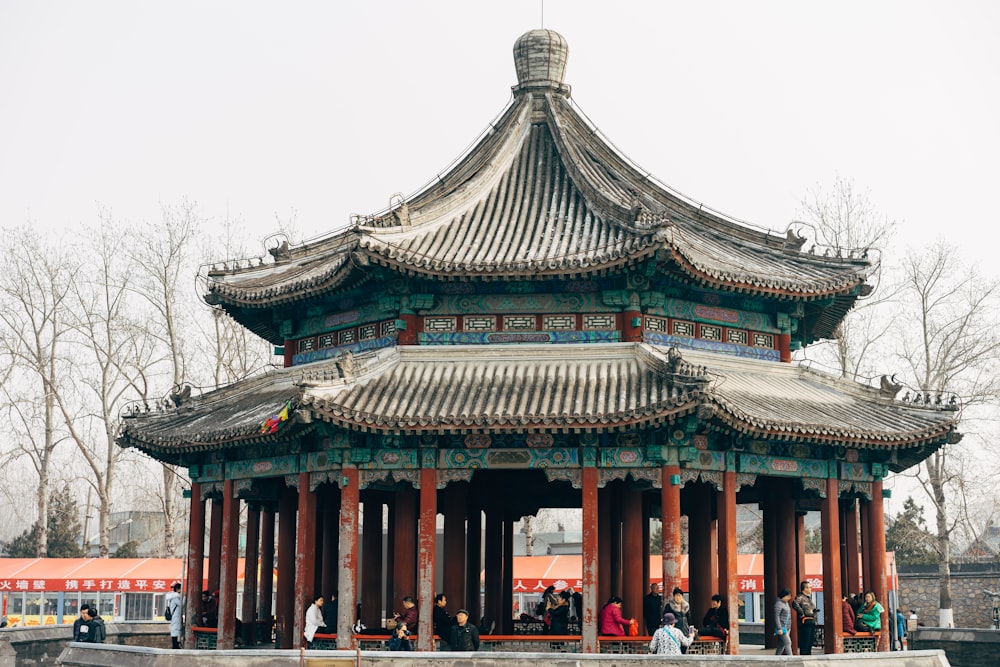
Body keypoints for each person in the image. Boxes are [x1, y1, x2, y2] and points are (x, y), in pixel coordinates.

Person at [791, 580, 817, 655]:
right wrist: (801, 613)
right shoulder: (800, 597)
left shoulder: (808, 598)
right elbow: (795, 604)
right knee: (805, 641)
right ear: (805, 589)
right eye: (809, 587)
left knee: (810, 641)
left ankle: (808, 656)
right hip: (805, 621)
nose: (810, 589)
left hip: (811, 620)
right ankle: (804, 656)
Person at [774, 588, 792, 656]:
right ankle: (791, 658)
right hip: (782, 627)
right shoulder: (778, 604)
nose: (789, 598)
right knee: (788, 642)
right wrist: (779, 628)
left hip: (787, 626)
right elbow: (776, 616)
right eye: (788, 596)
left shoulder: (786, 603)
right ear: (784, 595)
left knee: (782, 644)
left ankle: (776, 657)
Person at [165, 582, 183, 649]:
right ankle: (175, 645)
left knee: (176, 630)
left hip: (176, 616)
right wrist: (184, 598)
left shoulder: (173, 596)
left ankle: (176, 644)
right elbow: (181, 604)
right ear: (178, 589)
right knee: (175, 630)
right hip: (175, 616)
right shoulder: (175, 598)